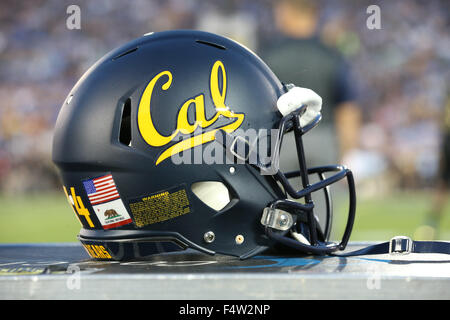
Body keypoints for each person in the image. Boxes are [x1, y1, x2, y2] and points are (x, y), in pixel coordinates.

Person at [259, 0, 361, 172]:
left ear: (286, 10)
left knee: (277, 198)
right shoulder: (332, 55)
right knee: (321, 197)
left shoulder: (268, 54)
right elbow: (347, 109)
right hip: (323, 137)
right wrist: (347, 151)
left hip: (279, 138)